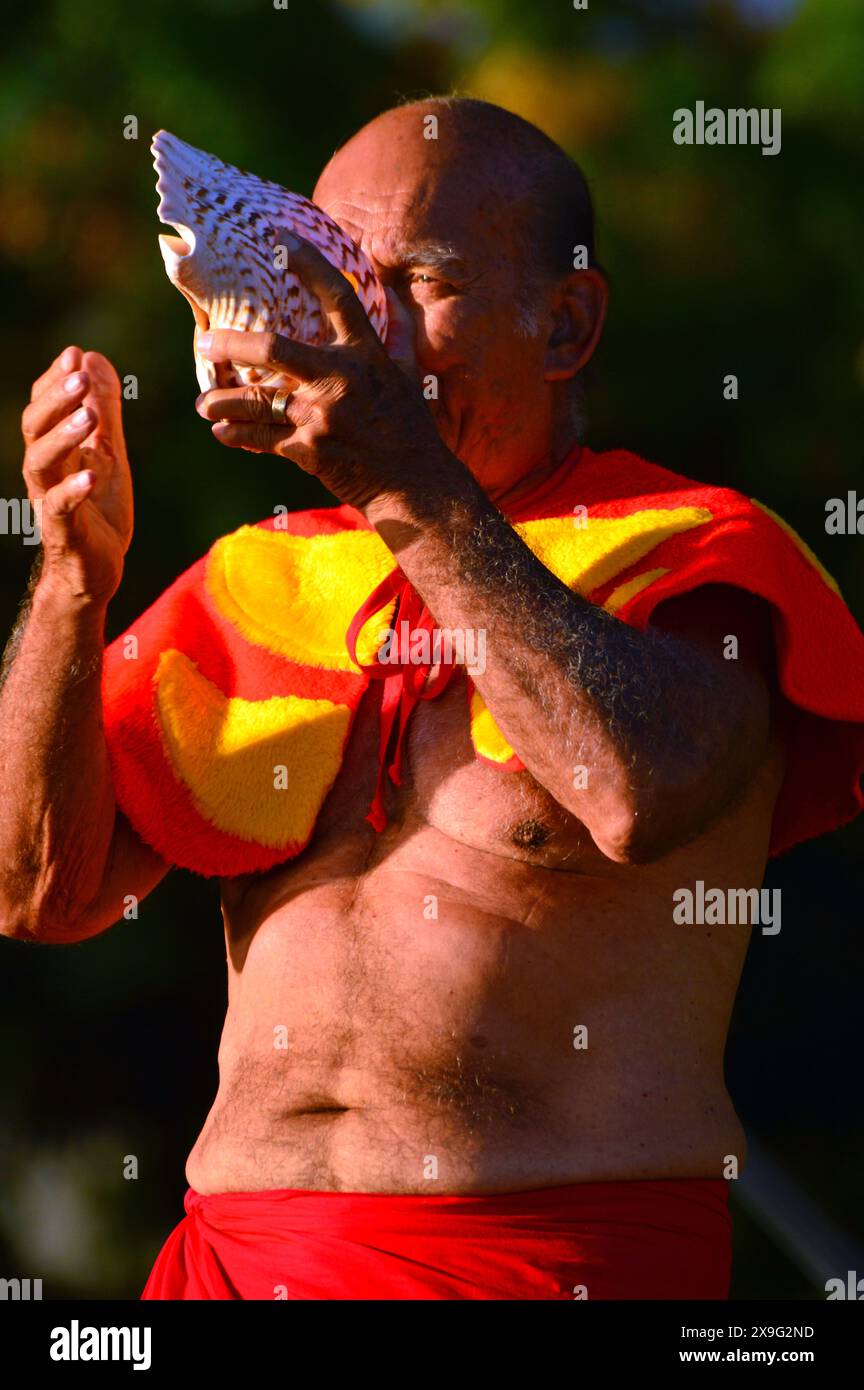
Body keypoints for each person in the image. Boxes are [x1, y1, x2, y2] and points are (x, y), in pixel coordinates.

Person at [2, 97, 863, 1301]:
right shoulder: (263, 576)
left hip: (546, 1258)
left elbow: (633, 793)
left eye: (417, 282)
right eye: (342, 276)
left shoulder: (699, 551)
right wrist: (70, 588)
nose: (366, 329)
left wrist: (400, 471)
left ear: (566, 321)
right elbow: (41, 889)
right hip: (234, 1256)